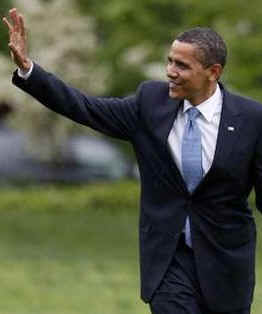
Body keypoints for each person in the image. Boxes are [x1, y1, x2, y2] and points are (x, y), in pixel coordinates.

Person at [3, 8, 262, 314]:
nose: (170, 71)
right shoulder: (149, 104)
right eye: (169, 61)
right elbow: (85, 108)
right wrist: (30, 71)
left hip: (225, 264)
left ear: (213, 72)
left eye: (182, 65)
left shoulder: (250, 119)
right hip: (168, 261)